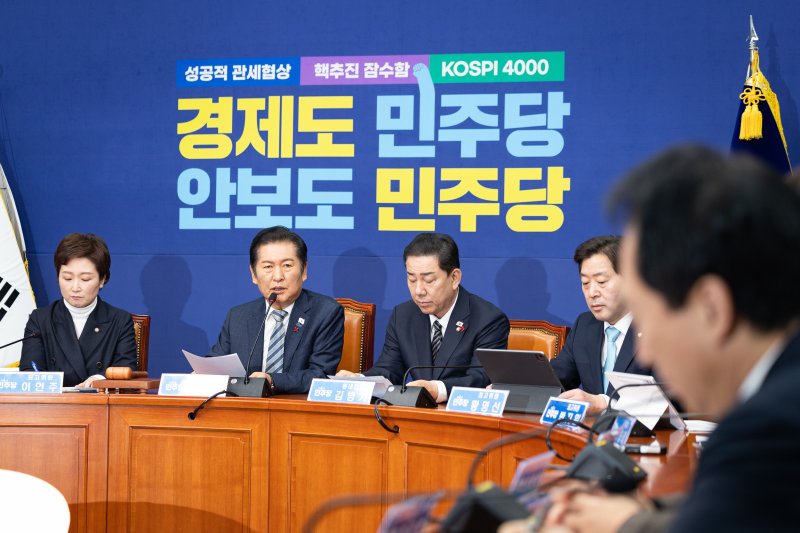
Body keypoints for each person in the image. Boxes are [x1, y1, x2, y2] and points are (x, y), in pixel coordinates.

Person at [538, 145, 800, 532]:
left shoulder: (770, 427)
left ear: (711, 308)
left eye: (649, 317)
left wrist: (625, 524)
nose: (645, 352)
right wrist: (642, 511)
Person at [338, 232, 509, 402]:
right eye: (412, 280)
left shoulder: (488, 320)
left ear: (454, 278)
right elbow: (390, 369)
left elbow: (481, 378)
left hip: (461, 413)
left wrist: (436, 389)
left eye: (429, 280)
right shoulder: (403, 315)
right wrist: (359, 380)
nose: (419, 291)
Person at [209, 226, 344, 394]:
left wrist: (271, 380)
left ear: (304, 270)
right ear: (253, 274)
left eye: (287, 265)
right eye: (268, 267)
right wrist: (203, 375)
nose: (278, 276)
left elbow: (321, 374)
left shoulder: (325, 313)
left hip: (298, 406)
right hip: (245, 406)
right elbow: (216, 363)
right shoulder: (238, 317)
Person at [20, 233, 136, 387]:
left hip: (99, 400)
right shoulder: (40, 320)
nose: (75, 287)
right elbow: (29, 371)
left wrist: (101, 381)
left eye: (85, 279)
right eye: (67, 278)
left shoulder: (120, 321)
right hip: (53, 401)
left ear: (102, 279)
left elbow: (125, 370)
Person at [550, 235, 650, 415]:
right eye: (585, 283)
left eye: (602, 282)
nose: (592, 292)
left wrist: (603, 403)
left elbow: (670, 399)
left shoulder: (657, 327)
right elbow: (556, 381)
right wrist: (515, 387)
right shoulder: (585, 325)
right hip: (591, 431)